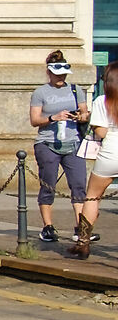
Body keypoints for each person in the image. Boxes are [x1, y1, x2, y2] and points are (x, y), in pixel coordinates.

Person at [30, 49, 90, 246]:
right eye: (57, 73)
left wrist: (80, 116)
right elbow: (34, 120)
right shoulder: (40, 93)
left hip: (73, 142)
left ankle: (80, 228)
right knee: (48, 186)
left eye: (63, 73)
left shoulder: (75, 89)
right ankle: (48, 227)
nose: (61, 77)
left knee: (79, 185)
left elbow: (85, 113)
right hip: (48, 143)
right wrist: (52, 118)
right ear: (49, 72)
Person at [72, 62, 118, 257]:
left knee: (92, 196)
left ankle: (83, 242)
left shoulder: (102, 101)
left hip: (110, 154)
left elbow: (101, 132)